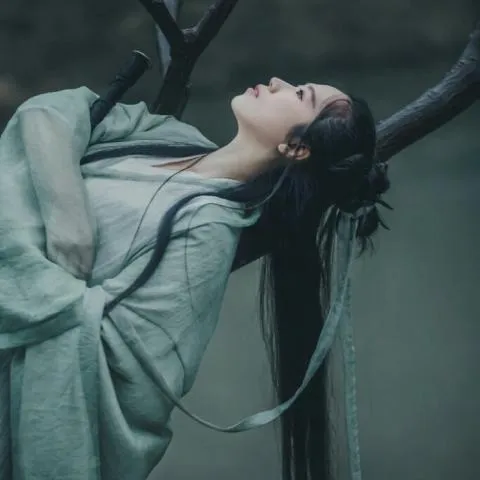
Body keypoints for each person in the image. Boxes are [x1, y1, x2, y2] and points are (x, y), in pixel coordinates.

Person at [0, 76, 390, 480]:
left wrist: (20, 247)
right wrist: (65, 211)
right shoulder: (170, 137)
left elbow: (122, 367)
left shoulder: (207, 230)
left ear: (295, 147)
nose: (278, 82)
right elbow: (53, 111)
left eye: (299, 94)